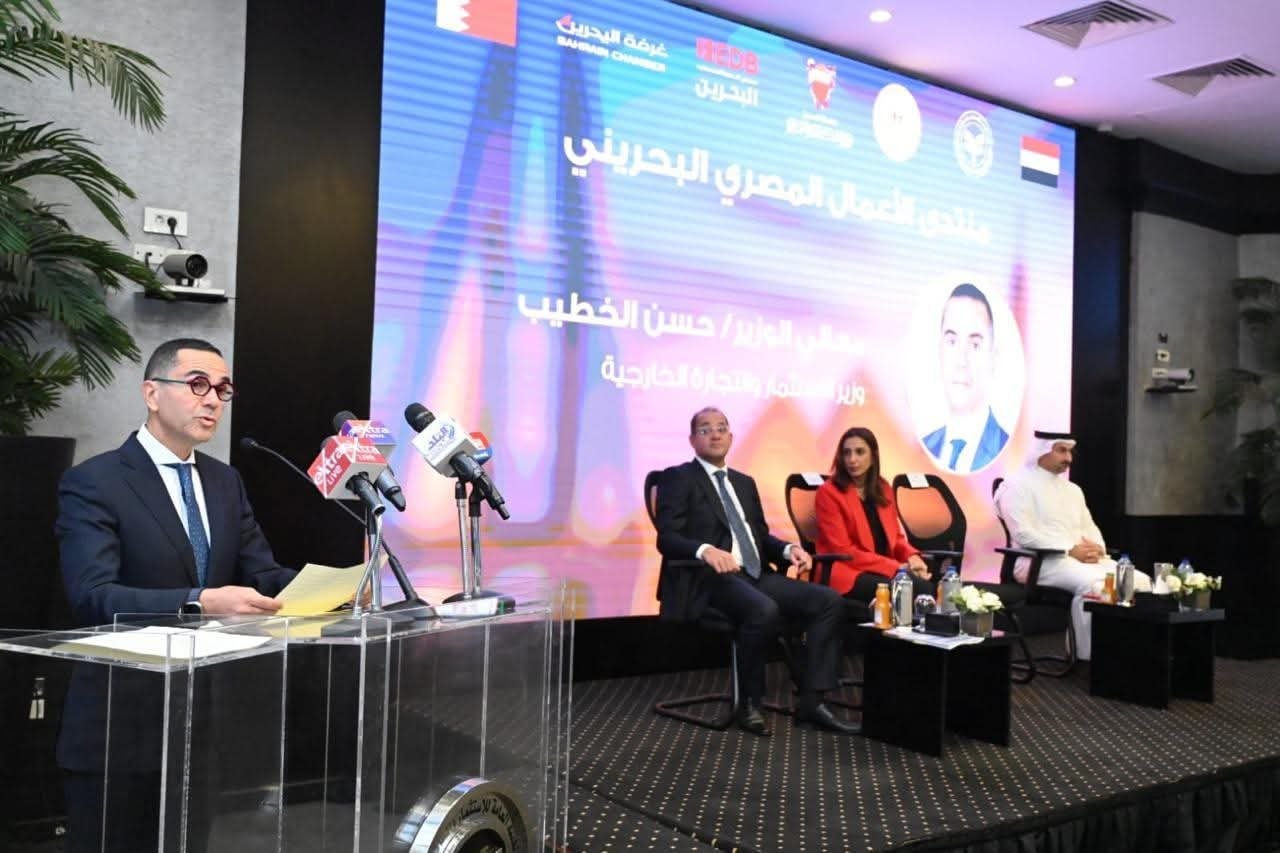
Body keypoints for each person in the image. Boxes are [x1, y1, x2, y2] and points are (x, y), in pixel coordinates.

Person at [55, 337, 296, 852]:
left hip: (198, 729)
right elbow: (93, 596)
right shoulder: (95, 482)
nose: (213, 401)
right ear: (152, 393)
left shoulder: (225, 482)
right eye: (198, 385)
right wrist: (198, 601)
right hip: (118, 729)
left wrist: (338, 589)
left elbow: (263, 574)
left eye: (222, 389)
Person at [654, 407, 859, 736]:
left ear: (731, 437)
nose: (715, 434)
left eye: (722, 428)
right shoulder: (678, 478)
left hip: (755, 574)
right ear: (692, 440)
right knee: (764, 609)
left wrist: (788, 549)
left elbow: (759, 537)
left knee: (828, 601)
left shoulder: (744, 482)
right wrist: (705, 550)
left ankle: (812, 701)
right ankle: (750, 703)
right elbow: (667, 538)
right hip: (710, 579)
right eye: (705, 429)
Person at [993, 430, 1150, 661]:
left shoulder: (1073, 490)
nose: (1068, 458)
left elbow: (1089, 527)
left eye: (1069, 451)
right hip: (1040, 562)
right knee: (1097, 587)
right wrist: (1069, 549)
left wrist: (1097, 549)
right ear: (1042, 451)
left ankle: (1128, 653)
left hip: (1082, 561)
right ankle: (1088, 657)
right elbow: (1024, 535)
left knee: (1141, 581)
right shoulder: (1015, 485)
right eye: (1061, 451)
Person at [814, 427, 934, 601]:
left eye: (859, 452)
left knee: (926, 587)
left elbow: (896, 538)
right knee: (910, 589)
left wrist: (912, 557)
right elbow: (844, 551)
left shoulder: (883, 488)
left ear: (873, 456)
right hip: (847, 571)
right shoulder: (828, 493)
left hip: (882, 568)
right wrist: (896, 567)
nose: (852, 459)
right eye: (847, 453)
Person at [921, 283, 1009, 472]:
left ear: (993, 358)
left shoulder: (1008, 451)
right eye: (952, 341)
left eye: (975, 345)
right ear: (939, 351)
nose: (961, 360)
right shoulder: (925, 446)